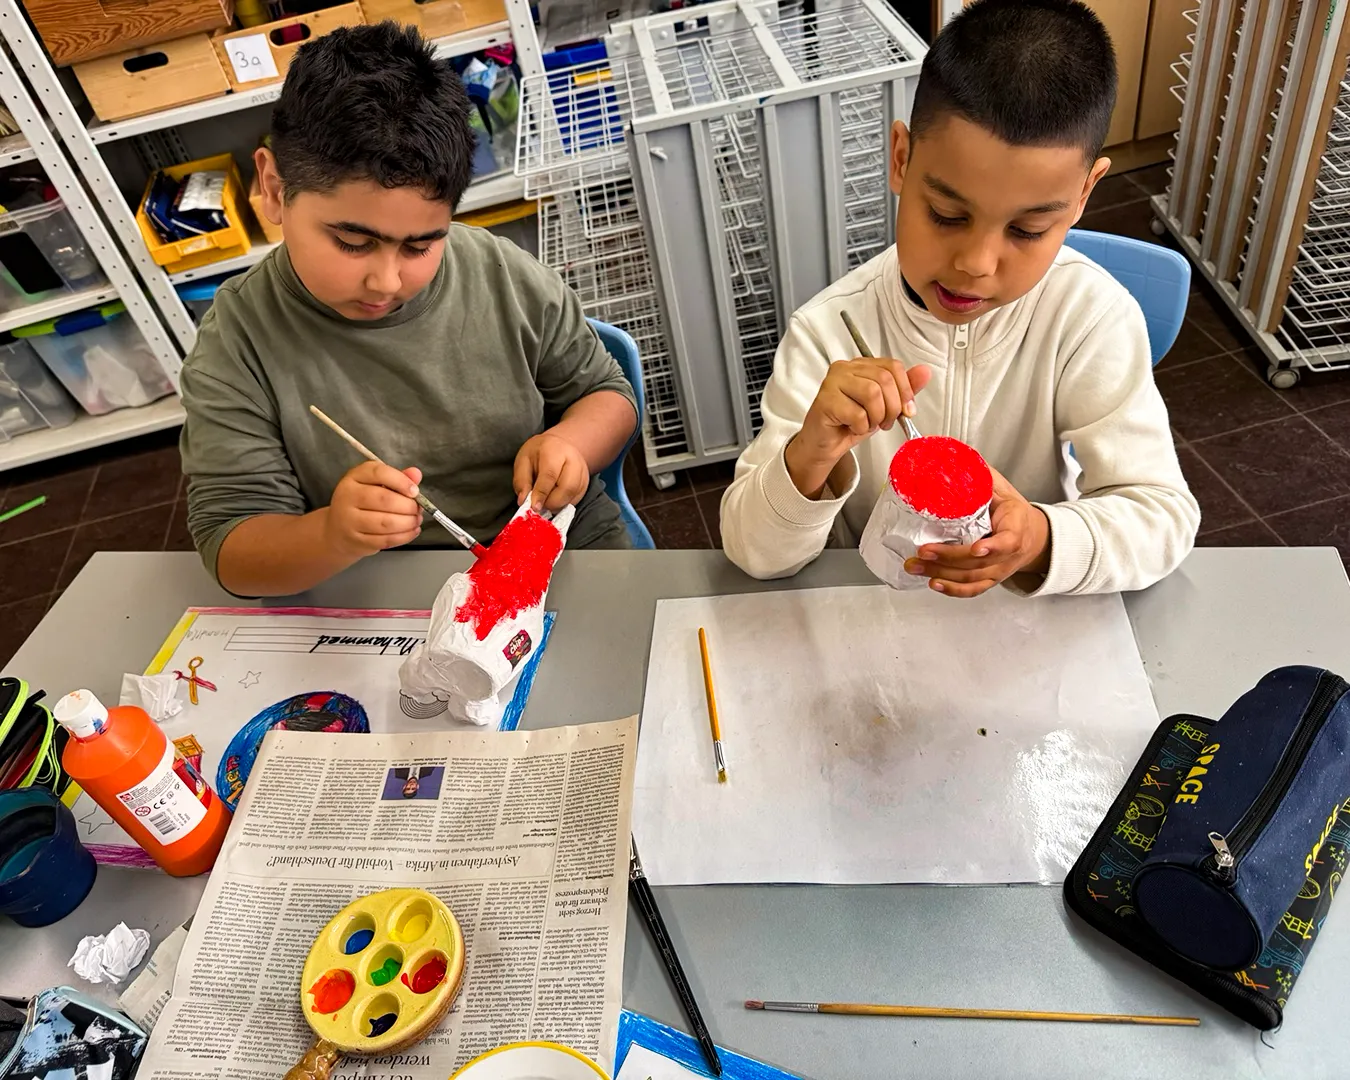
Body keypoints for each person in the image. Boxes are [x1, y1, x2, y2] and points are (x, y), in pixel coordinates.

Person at [720, 0, 1199, 597]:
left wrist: (1042, 539)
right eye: (948, 215)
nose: (976, 263)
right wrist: (809, 456)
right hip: (869, 610)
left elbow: (1162, 518)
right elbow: (753, 554)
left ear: (1083, 194)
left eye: (1026, 230)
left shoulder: (1088, 317)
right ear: (901, 158)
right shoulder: (829, 332)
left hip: (1022, 623)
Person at [180, 23, 638, 597]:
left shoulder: (503, 275)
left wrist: (572, 443)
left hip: (558, 555)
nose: (387, 280)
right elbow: (230, 546)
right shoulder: (238, 340)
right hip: (380, 587)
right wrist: (333, 534)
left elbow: (608, 395)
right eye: (352, 242)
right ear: (274, 188)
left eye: (420, 247)